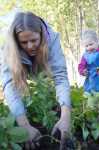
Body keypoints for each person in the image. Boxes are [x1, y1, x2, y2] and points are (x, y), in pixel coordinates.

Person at [0, 12, 71, 149]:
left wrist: (65, 117)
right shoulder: (9, 48)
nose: (30, 46)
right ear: (17, 41)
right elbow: (9, 85)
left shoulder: (52, 38)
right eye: (24, 42)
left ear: (42, 35)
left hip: (42, 63)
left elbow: (60, 77)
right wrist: (24, 125)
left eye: (34, 40)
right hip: (21, 63)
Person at [78, 29, 99, 100]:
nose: (89, 47)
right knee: (92, 99)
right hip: (91, 81)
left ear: (97, 42)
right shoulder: (85, 56)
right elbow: (81, 66)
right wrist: (83, 71)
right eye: (86, 46)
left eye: (91, 44)